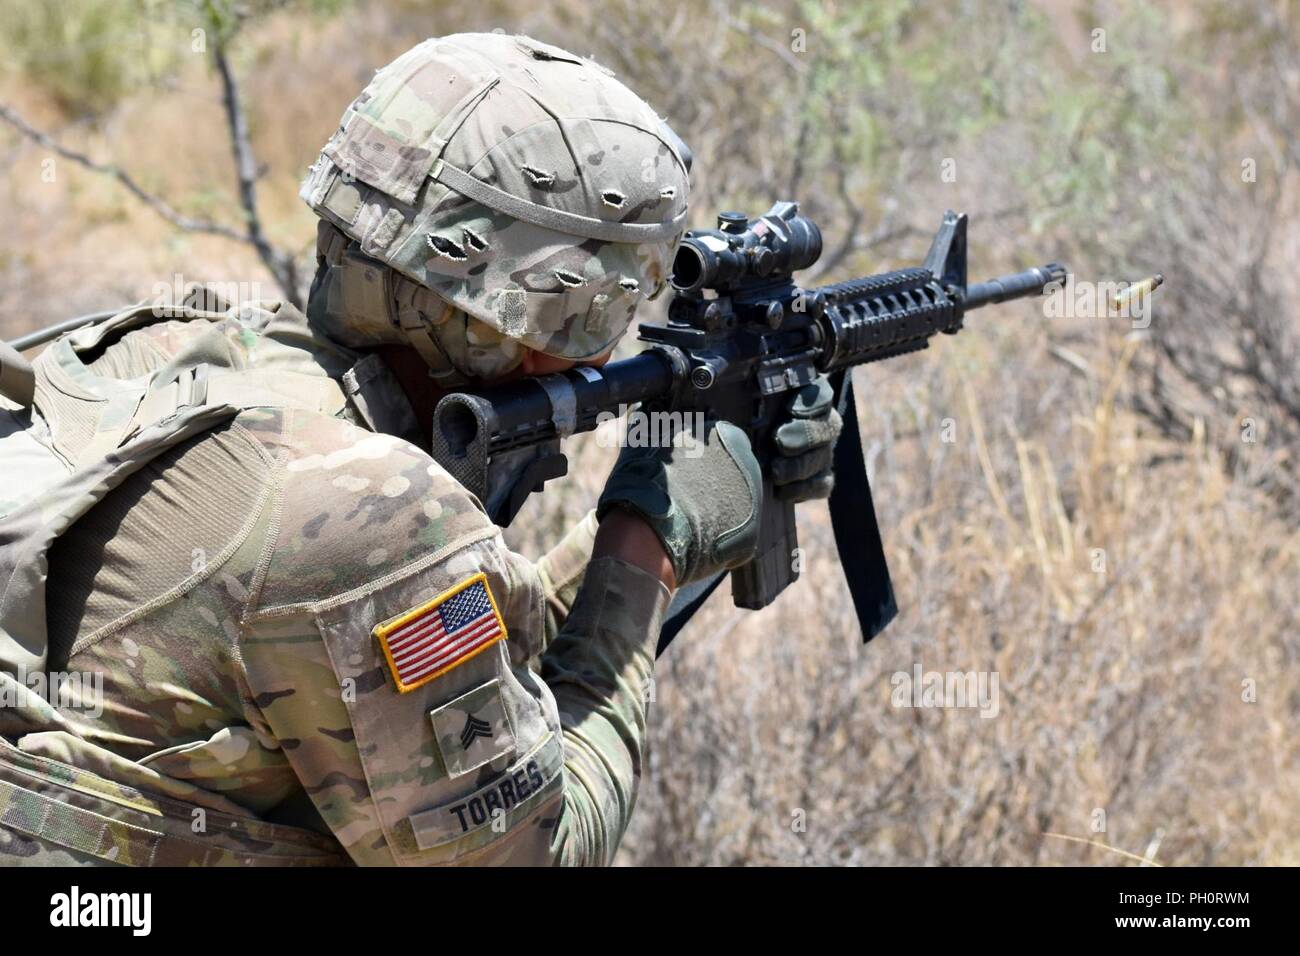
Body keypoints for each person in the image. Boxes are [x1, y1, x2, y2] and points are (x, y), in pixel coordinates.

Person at [0, 32, 839, 866]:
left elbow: (399, 667)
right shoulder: (365, 514)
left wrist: (631, 523)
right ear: (535, 311)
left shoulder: (167, 356)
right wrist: (645, 554)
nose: (611, 356)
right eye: (614, 308)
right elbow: (536, 852)